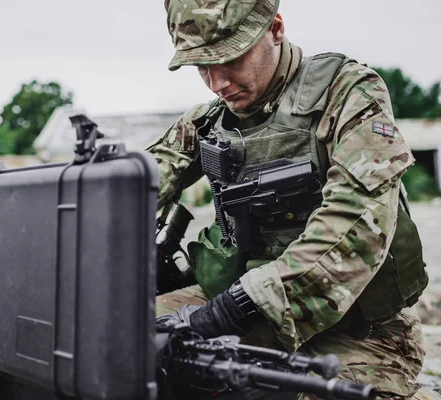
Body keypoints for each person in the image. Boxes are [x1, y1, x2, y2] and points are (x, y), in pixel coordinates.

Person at [150, 0, 433, 398]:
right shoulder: (207, 122)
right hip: (237, 313)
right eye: (202, 66)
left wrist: (225, 313)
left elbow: (354, 225)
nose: (217, 82)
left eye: (230, 58)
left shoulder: (348, 94)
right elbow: (136, 184)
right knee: (119, 346)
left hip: (357, 331)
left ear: (275, 29)